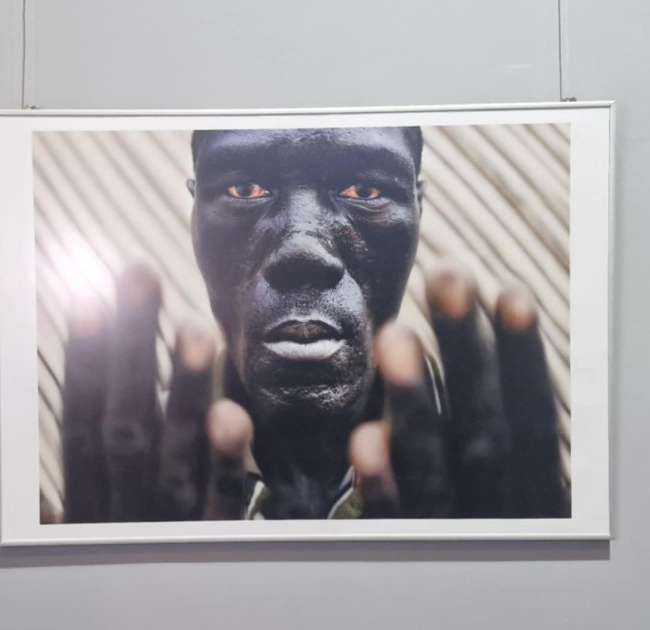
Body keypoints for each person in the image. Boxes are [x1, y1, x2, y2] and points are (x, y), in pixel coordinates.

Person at [59, 126, 568, 522]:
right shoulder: (123, 493)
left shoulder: (508, 488)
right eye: (244, 188)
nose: (302, 249)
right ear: (195, 208)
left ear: (418, 207)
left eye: (364, 188)